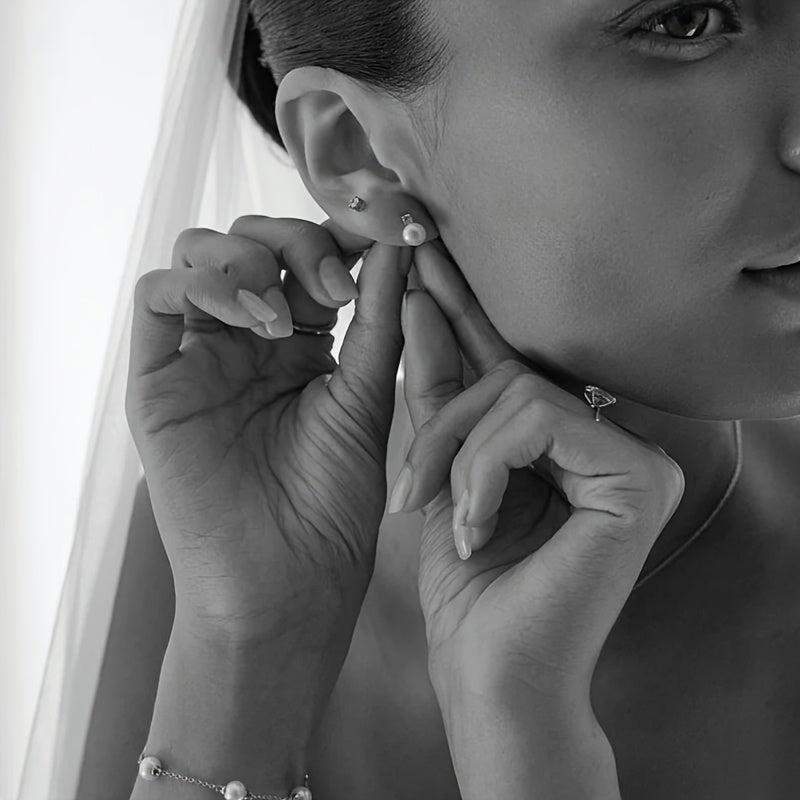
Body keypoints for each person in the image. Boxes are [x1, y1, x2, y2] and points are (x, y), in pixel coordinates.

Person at [55, 1, 800, 798]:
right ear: (354, 150)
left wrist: (526, 734)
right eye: (685, 22)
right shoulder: (223, 529)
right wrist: (245, 644)